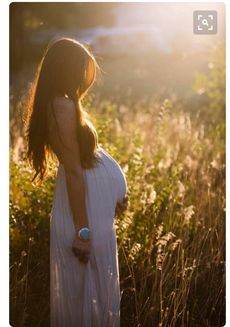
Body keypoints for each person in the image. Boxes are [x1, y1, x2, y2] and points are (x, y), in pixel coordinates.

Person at [25, 37, 128, 327]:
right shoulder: (62, 106)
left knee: (91, 295)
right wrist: (83, 232)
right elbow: (73, 171)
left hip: (94, 209)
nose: (86, 76)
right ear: (67, 68)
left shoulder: (62, 103)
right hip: (84, 214)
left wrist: (115, 195)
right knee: (87, 298)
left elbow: (82, 163)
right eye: (82, 69)